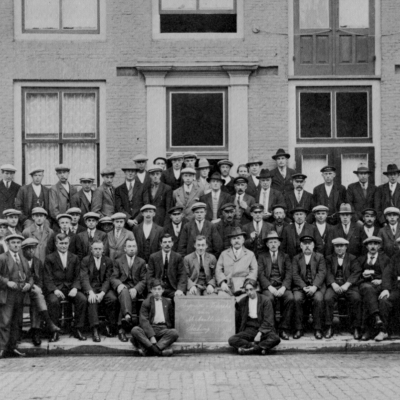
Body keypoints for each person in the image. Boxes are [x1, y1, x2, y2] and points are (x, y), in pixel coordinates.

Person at [43, 233, 88, 342]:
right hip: (56, 288)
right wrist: (55, 290)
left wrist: (75, 288)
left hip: (70, 288)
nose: (63, 246)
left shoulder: (75, 257)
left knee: (82, 299)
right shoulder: (50, 258)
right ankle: (54, 330)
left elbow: (78, 276)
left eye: (65, 243)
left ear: (69, 244)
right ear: (56, 244)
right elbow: (47, 277)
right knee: (53, 301)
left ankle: (77, 328)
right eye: (61, 243)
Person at [21, 238, 60, 346]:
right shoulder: (19, 260)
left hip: (34, 291)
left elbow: (41, 280)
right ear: (23, 250)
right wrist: (33, 287)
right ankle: (48, 323)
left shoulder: (38, 262)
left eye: (33, 248)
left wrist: (38, 287)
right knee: (37, 295)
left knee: (37, 298)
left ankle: (36, 331)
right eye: (28, 249)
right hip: (21, 290)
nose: (31, 251)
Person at [0, 234, 33, 358]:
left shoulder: (23, 258)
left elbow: (30, 276)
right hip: (7, 294)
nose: (16, 245)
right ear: (8, 244)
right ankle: (2, 348)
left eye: (18, 243)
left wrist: (29, 284)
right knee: (5, 321)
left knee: (16, 322)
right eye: (13, 242)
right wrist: (6, 282)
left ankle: (12, 347)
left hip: (20, 294)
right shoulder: (2, 258)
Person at [228, 278, 280, 355]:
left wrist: (260, 333)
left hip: (263, 327)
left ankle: (250, 350)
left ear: (256, 288)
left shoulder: (265, 300)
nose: (249, 292)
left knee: (275, 338)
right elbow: (238, 315)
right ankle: (258, 348)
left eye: (251, 289)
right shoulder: (243, 301)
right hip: (250, 328)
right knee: (232, 339)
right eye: (247, 290)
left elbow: (268, 321)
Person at [324, 238, 362, 340]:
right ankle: (329, 327)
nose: (339, 248)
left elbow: (356, 272)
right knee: (327, 298)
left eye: (341, 246)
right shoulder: (329, 258)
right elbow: (327, 272)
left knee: (356, 298)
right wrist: (333, 284)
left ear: (346, 247)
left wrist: (347, 285)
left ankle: (356, 327)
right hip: (334, 286)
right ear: (334, 247)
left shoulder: (352, 258)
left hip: (348, 286)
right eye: (337, 246)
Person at [257, 231, 293, 340]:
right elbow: (260, 274)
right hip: (269, 286)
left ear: (279, 243)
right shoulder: (262, 256)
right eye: (270, 242)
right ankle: (271, 328)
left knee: (290, 298)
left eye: (275, 242)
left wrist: (283, 287)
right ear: (267, 244)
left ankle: (283, 328)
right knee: (268, 299)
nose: (273, 244)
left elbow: (289, 273)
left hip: (282, 286)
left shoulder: (285, 256)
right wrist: (269, 287)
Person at [130, 279, 179, 357]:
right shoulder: (146, 302)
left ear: (163, 290)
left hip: (163, 329)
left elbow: (171, 318)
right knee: (135, 330)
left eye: (159, 289)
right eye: (154, 289)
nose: (157, 292)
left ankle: (148, 350)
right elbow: (144, 321)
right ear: (151, 290)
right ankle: (158, 352)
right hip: (150, 327)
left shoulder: (168, 302)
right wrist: (151, 336)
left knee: (174, 333)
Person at [111, 238, 147, 342]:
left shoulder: (141, 262)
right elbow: (113, 277)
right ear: (125, 248)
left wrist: (136, 289)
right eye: (129, 246)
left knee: (124, 295)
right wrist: (119, 285)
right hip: (123, 287)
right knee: (124, 292)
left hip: (136, 289)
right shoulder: (118, 261)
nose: (132, 249)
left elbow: (144, 279)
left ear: (136, 248)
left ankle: (122, 327)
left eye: (134, 246)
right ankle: (127, 315)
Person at [81, 240, 117, 342]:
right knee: (92, 300)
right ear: (91, 250)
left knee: (113, 299)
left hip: (103, 288)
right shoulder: (85, 260)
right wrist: (90, 292)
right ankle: (95, 328)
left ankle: (109, 325)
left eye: (100, 249)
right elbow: (84, 278)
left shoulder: (108, 261)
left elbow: (108, 279)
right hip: (91, 288)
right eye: (95, 249)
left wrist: (102, 293)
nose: (98, 251)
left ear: (103, 250)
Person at [357, 236, 392, 341]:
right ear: (366, 246)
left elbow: (389, 275)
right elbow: (355, 274)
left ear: (379, 246)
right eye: (370, 244)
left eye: (375, 244)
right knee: (368, 289)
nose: (373, 246)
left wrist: (381, 281)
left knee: (378, 299)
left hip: (380, 285)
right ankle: (376, 317)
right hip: (365, 284)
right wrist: (363, 275)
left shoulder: (385, 259)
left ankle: (372, 330)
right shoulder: (361, 259)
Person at [292, 235, 326, 340]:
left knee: (318, 299)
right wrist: (303, 287)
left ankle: (318, 329)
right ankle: (299, 328)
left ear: (313, 245)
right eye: (304, 244)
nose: (307, 246)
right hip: (300, 287)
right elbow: (295, 275)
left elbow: (322, 273)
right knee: (297, 299)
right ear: (301, 246)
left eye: (309, 244)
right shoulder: (296, 258)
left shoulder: (320, 257)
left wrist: (314, 287)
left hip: (316, 287)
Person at [216, 227, 258, 300]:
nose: (236, 241)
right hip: (227, 287)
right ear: (230, 241)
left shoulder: (250, 254)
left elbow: (254, 270)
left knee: (245, 300)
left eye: (238, 238)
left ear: (243, 240)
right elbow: (218, 270)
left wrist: (248, 283)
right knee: (222, 300)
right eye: (234, 239)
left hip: (244, 288)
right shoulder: (224, 254)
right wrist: (222, 282)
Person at [147, 234, 187, 299]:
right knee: (150, 299)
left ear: (172, 243)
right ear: (161, 244)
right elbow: (149, 276)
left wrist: (180, 289)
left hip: (173, 289)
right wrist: (155, 289)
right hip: (157, 288)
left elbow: (182, 275)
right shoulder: (153, 257)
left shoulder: (178, 257)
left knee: (180, 299)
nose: (167, 244)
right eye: (165, 242)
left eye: (169, 242)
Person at [379, 238, 400, 340]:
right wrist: (386, 289)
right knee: (384, 301)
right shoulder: (395, 258)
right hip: (397, 289)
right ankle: (384, 331)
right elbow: (387, 274)